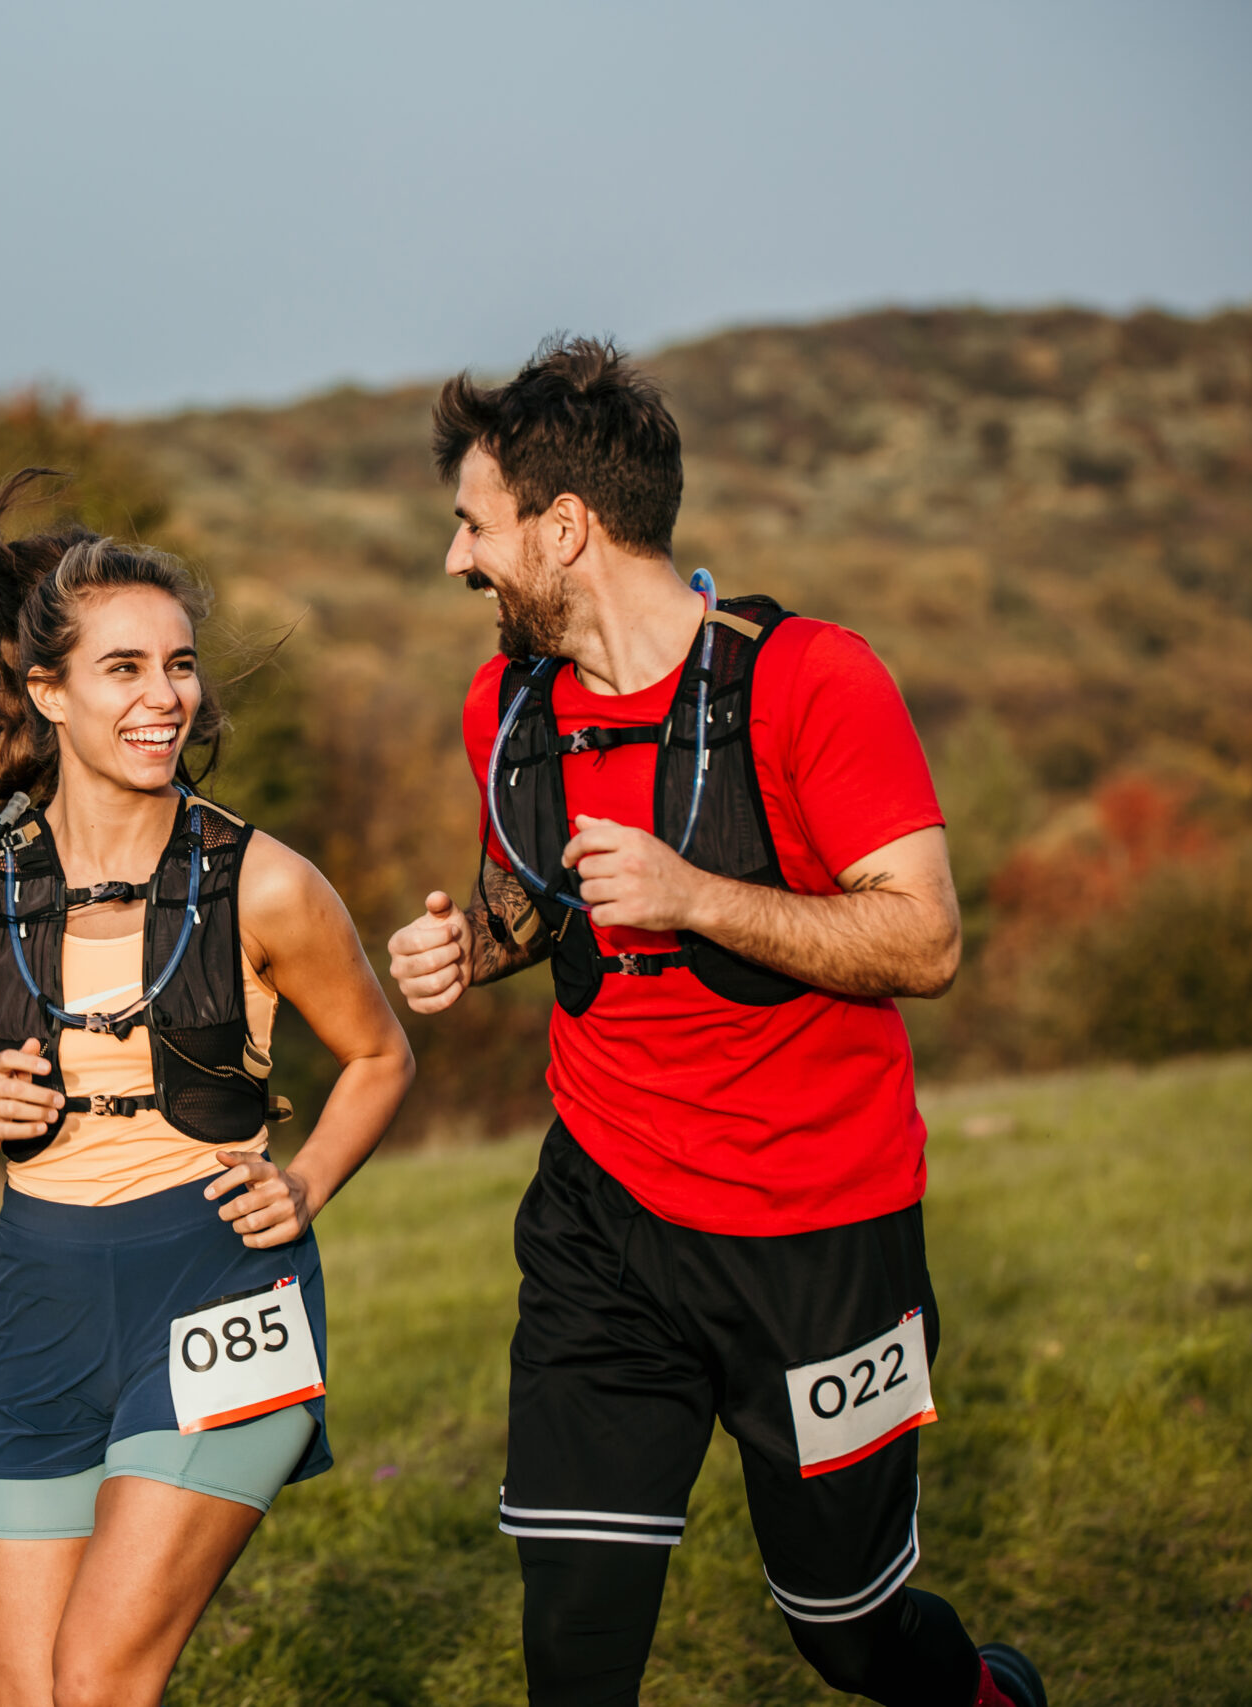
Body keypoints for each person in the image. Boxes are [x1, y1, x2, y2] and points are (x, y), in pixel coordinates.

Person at [385, 340, 1049, 1707]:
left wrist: (699, 895)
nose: (457, 560)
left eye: (473, 523)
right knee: (574, 1641)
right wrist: (473, 945)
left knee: (846, 1628)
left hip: (823, 1232)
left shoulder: (810, 679)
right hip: (603, 1216)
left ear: (565, 528)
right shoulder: (508, 701)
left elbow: (923, 934)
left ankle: (986, 1694)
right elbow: (536, 888)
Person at [0, 474, 416, 1707]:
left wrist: (305, 1182)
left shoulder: (267, 883)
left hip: (216, 1281)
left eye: (178, 665)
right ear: (49, 694)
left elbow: (380, 1055)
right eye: (124, 669)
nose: (164, 696)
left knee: (99, 1680)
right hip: (37, 1304)